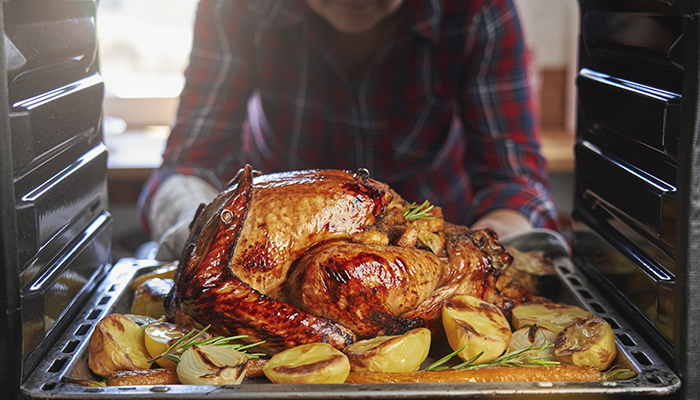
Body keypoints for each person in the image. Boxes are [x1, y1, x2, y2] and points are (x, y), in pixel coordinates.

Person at [138, 0, 560, 261]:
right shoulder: (236, 6)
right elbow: (190, 166)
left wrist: (483, 252)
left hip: (435, 247)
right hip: (268, 246)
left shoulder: (478, 9)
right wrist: (202, 234)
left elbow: (513, 182)